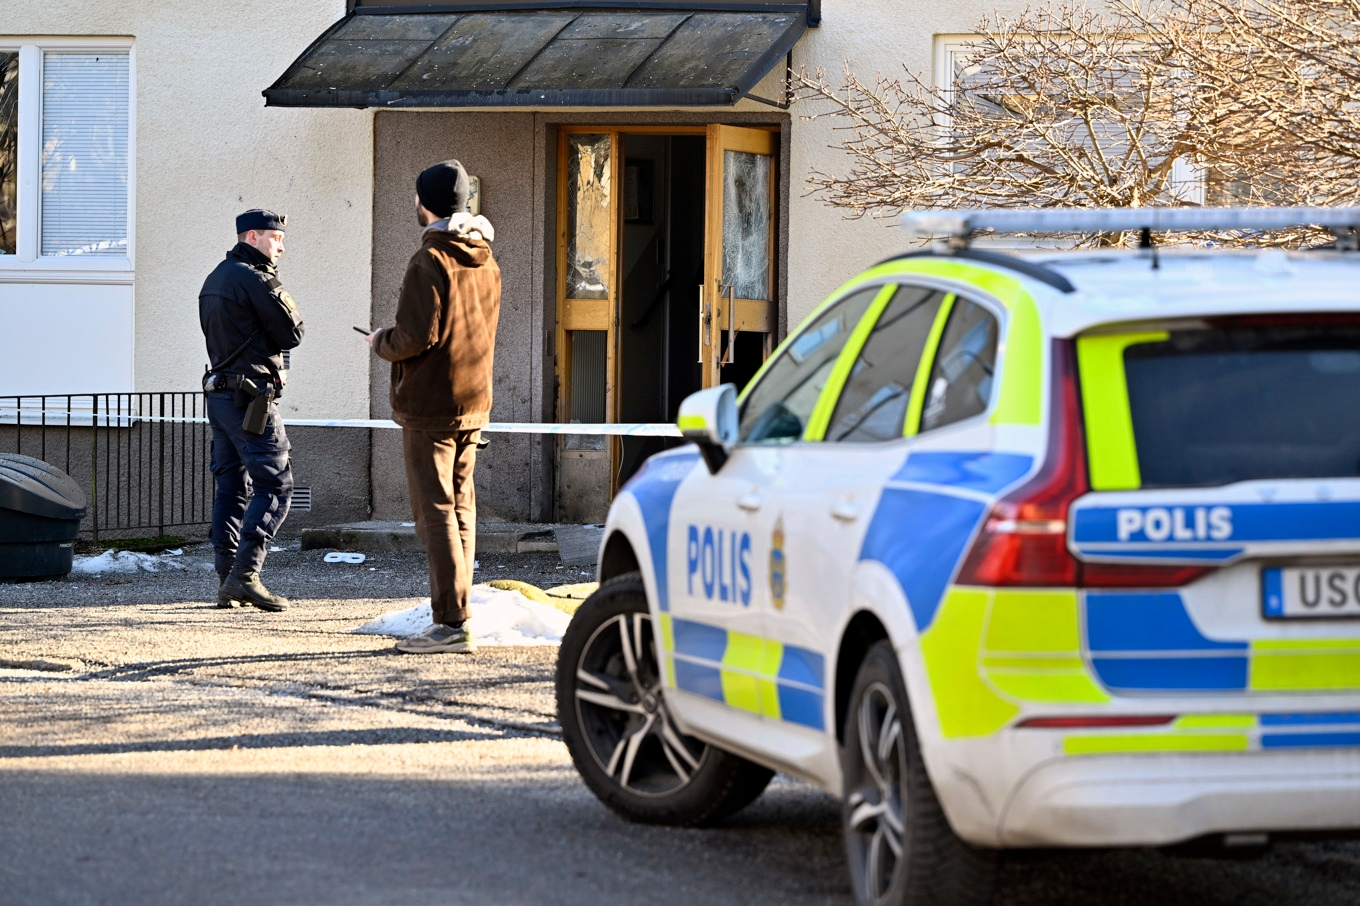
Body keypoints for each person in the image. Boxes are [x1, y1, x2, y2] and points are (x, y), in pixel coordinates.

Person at [366, 160, 501, 653]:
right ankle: (458, 613)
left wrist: (382, 341)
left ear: (425, 203)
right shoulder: (486, 260)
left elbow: (414, 337)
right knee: (461, 508)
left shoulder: (429, 261)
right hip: (474, 398)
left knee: (435, 512)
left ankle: (449, 622)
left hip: (430, 404)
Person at [199, 209, 304, 612]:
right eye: (276, 239)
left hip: (221, 397)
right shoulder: (256, 278)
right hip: (250, 400)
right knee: (276, 484)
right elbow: (292, 333)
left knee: (232, 487)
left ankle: (227, 575)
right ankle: (245, 577)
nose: (281, 247)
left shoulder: (215, 278)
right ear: (254, 236)